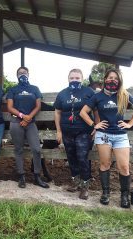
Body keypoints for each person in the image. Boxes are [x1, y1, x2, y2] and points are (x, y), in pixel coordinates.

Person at [80, 69, 133, 208]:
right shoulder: (98, 96)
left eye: (115, 78)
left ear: (119, 80)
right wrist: (94, 125)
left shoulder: (124, 95)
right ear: (105, 79)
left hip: (120, 135)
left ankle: (125, 196)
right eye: (109, 77)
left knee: (124, 167)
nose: (112, 80)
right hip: (104, 136)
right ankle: (105, 193)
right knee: (105, 165)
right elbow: (83, 112)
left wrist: (130, 124)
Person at [54, 69, 97, 200]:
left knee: (82, 157)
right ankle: (76, 183)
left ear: (82, 79)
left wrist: (96, 126)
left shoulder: (89, 92)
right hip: (67, 132)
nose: (74, 80)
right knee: (71, 158)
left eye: (77, 78)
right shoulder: (62, 94)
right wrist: (59, 131)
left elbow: (96, 110)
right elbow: (57, 112)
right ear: (68, 79)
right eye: (72, 78)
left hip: (84, 131)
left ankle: (85, 186)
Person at [6, 66, 49, 189]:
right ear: (17, 76)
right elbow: (9, 107)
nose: (22, 74)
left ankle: (37, 176)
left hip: (30, 123)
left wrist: (28, 117)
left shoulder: (34, 89)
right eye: (20, 73)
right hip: (16, 122)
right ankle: (21, 176)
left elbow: (38, 106)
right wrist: (21, 116)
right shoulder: (13, 90)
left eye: (24, 72)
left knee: (36, 149)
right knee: (18, 150)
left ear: (28, 74)